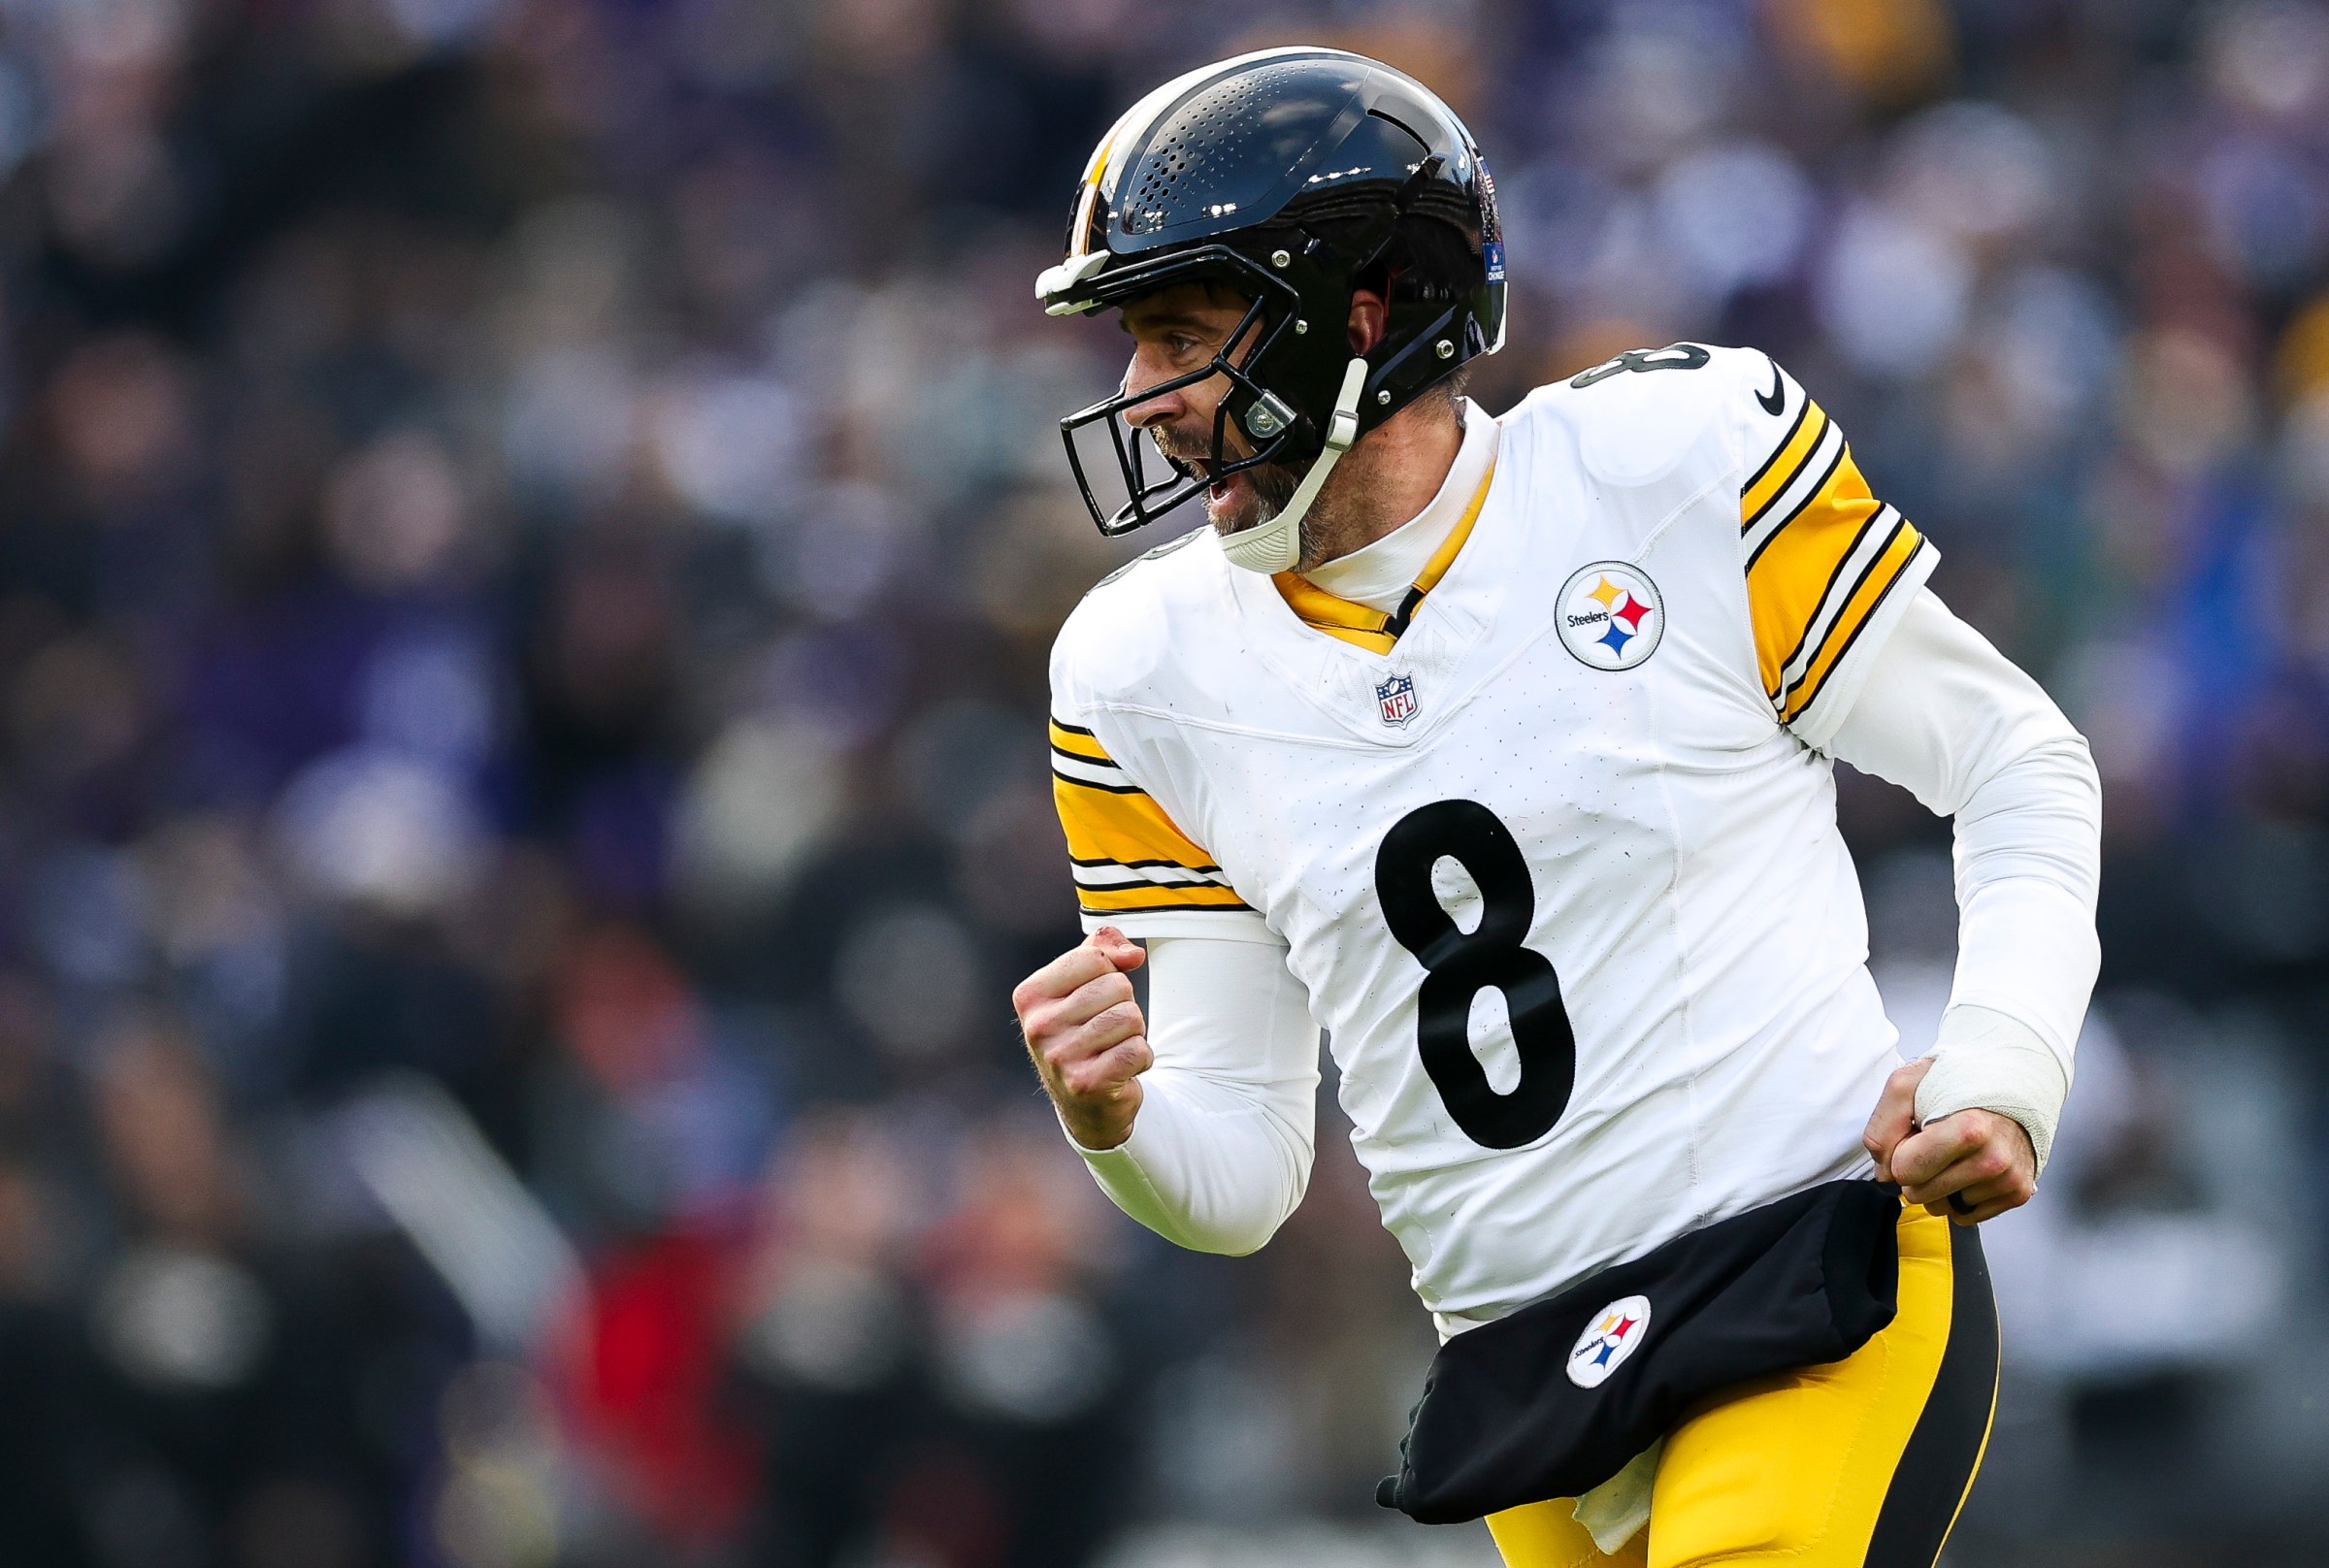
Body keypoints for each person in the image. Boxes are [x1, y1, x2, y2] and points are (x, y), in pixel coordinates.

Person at [1010, 48, 2100, 1568]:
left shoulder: (1671, 465)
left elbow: (2019, 760)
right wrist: (1114, 1124)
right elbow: (1245, 1177)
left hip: (1805, 1274)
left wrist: (2005, 1066)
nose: (1145, 399)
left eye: (1182, 335)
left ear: (1359, 318)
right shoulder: (1138, 669)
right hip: (1528, 1388)